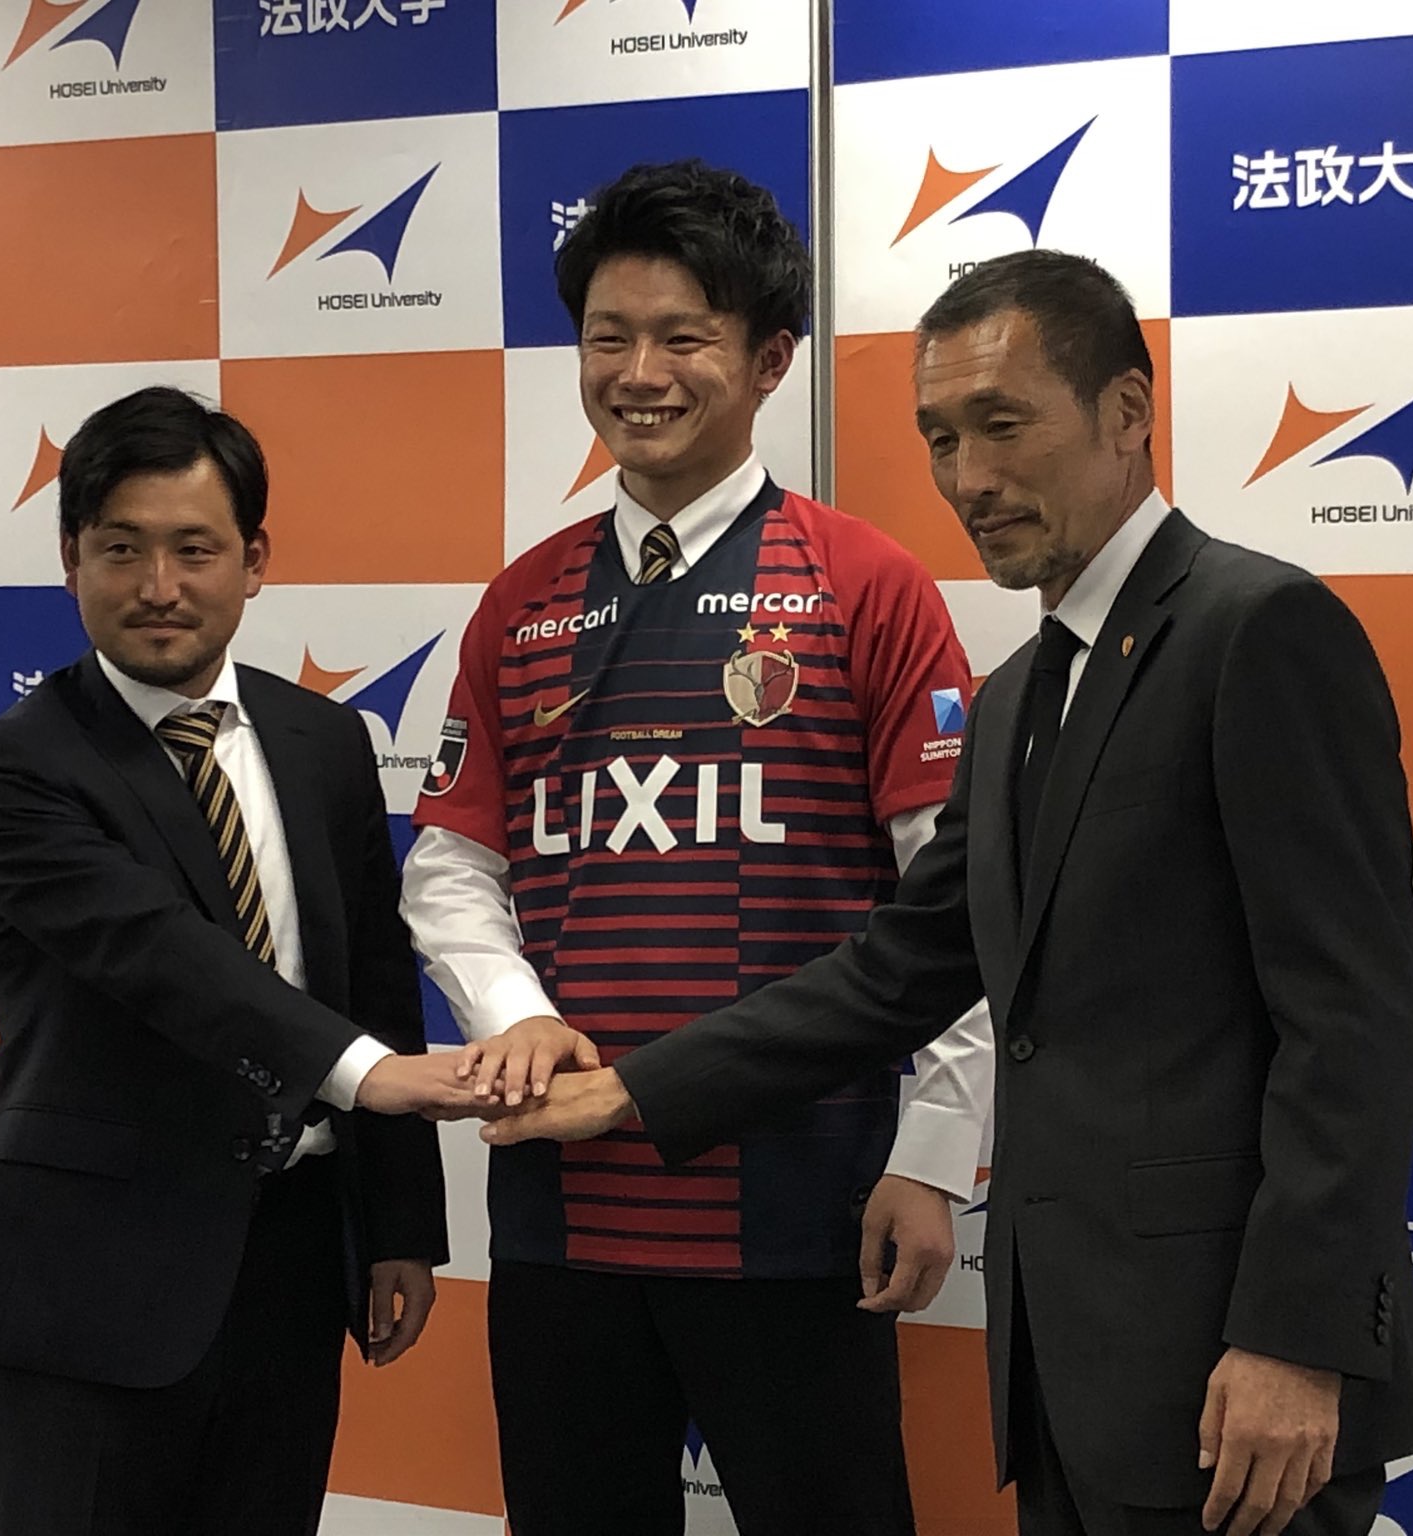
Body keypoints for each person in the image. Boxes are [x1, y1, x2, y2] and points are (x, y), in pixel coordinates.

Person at [483, 250, 1413, 1536]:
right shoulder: (1018, 697)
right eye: (938, 437)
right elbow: (897, 969)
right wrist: (634, 1091)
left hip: (1237, 1369)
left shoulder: (1256, 629)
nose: (967, 477)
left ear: (1125, 412)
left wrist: (1295, 1340)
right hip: (1074, 1367)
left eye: (1001, 424)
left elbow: (1352, 1023)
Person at [402, 161, 993, 1536]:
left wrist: (932, 1152)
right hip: (560, 1212)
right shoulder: (522, 601)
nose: (639, 374)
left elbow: (955, 904)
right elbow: (450, 862)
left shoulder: (865, 584)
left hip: (803, 1205)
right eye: (608, 337)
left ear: (770, 359)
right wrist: (515, 1017)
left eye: (684, 337)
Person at [0, 385, 475, 1536]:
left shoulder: (323, 740)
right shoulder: (9, 768)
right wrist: (364, 1074)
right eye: (120, 549)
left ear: (254, 561)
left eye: (194, 549)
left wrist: (397, 1227)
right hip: (91, 1283)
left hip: (291, 1260)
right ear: (70, 558)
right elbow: (157, 953)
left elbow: (373, 978)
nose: (158, 586)